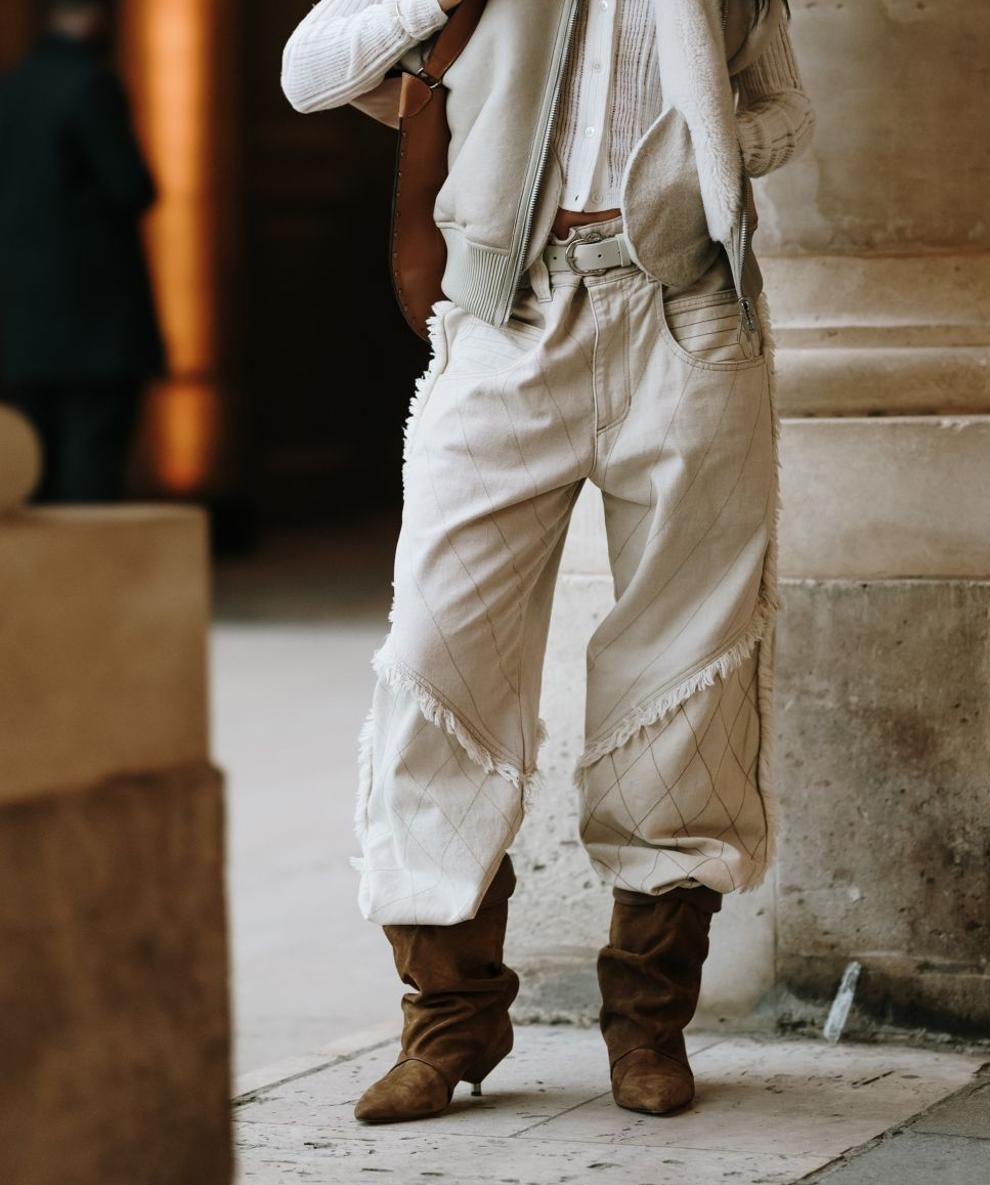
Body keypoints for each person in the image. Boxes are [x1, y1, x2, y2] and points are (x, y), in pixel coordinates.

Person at [281, 0, 813, 1122]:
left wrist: (708, 148)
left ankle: (648, 1025)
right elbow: (308, 69)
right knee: (437, 662)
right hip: (507, 317)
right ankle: (450, 1020)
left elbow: (786, 109)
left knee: (686, 668)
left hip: (686, 316)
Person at [0, 0, 164, 503]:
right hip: (94, 317)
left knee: (30, 473)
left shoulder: (11, 88)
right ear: (95, 18)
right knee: (92, 468)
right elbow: (131, 187)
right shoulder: (90, 84)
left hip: (19, 317)